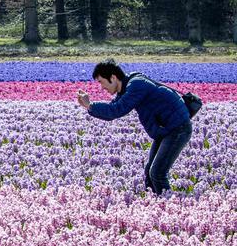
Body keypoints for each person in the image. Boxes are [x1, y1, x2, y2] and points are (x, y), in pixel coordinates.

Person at [76, 59, 192, 195]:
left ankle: (168, 205)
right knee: (149, 172)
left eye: (101, 82)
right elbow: (111, 112)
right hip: (165, 129)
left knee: (157, 172)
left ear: (113, 77)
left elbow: (116, 110)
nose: (102, 87)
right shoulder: (128, 87)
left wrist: (90, 105)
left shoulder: (136, 85)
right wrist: (90, 107)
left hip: (177, 129)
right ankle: (155, 203)